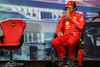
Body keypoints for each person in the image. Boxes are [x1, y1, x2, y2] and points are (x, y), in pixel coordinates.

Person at [52, 1, 86, 66]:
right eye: (67, 8)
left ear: (74, 8)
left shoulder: (79, 16)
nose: (68, 9)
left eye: (70, 8)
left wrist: (70, 18)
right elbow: (59, 27)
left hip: (74, 35)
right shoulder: (63, 17)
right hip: (65, 36)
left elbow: (81, 27)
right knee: (55, 42)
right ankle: (62, 57)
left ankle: (71, 58)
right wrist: (58, 32)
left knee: (71, 42)